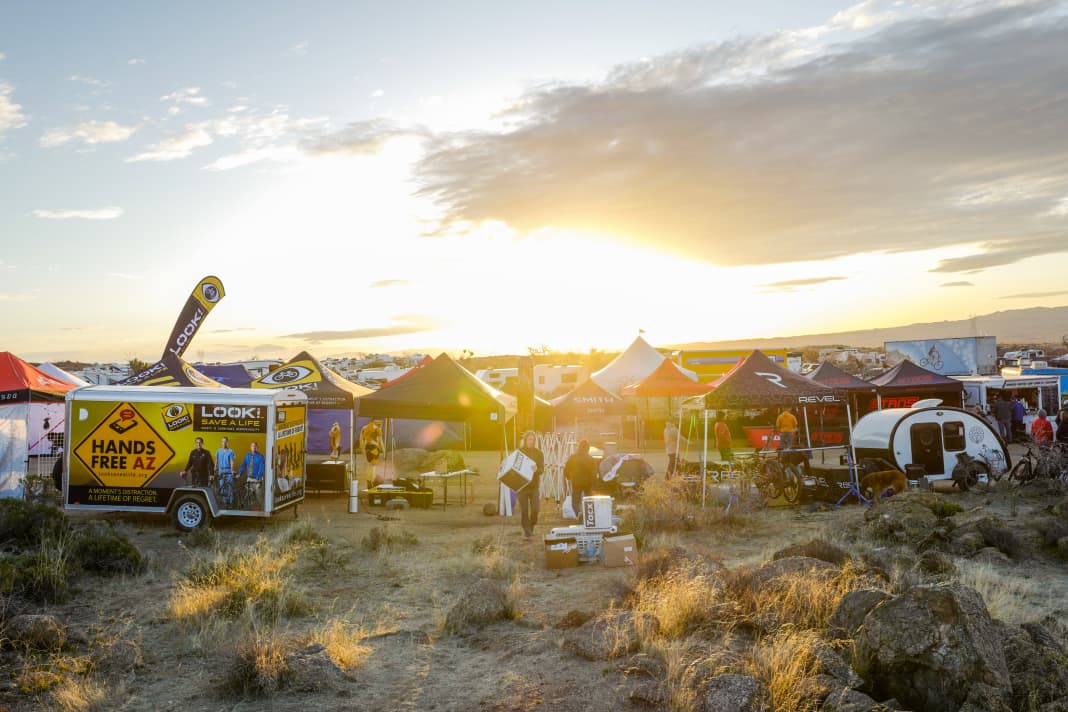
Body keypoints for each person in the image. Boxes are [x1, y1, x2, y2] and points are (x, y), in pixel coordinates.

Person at [516, 431, 544, 540]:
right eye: (529, 439)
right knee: (524, 511)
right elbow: (514, 466)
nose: (531, 442)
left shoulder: (539, 453)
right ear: (525, 440)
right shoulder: (519, 452)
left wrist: (537, 470)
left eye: (533, 440)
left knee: (535, 509)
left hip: (534, 486)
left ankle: (532, 525)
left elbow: (542, 469)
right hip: (522, 486)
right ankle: (527, 531)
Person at [564, 439, 598, 518]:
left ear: (579, 447)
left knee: (575, 501)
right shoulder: (590, 459)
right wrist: (594, 485)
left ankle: (578, 514)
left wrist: (568, 477)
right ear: (588, 448)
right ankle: (589, 516)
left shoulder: (572, 457)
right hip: (588, 483)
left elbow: (566, 469)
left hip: (576, 482)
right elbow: (594, 473)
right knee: (589, 500)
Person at [237, 442, 267, 510]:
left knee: (259, 497)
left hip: (257, 480)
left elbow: (261, 468)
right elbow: (243, 465)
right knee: (248, 496)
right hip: (249, 479)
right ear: (250, 447)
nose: (254, 447)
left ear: (257, 448)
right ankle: (249, 510)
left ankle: (262, 511)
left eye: (255, 446)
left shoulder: (261, 457)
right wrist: (239, 473)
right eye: (252, 446)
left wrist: (257, 478)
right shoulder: (247, 456)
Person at [215, 437, 237, 506]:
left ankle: (231, 501)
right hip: (221, 471)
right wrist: (215, 466)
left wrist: (232, 470)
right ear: (221, 442)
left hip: (228, 471)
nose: (224, 443)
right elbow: (216, 459)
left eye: (225, 442)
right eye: (222, 441)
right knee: (222, 486)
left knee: (230, 486)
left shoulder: (231, 451)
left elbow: (232, 461)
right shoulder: (218, 451)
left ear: (227, 442)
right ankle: (225, 502)